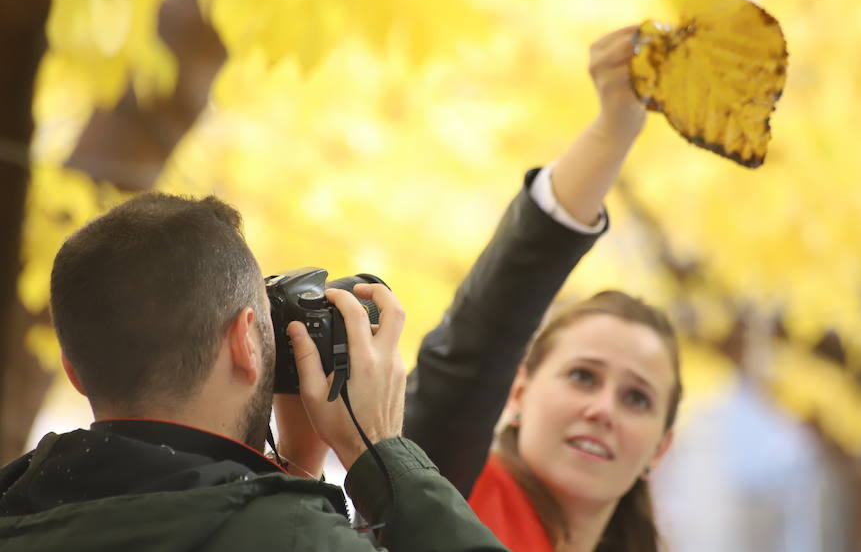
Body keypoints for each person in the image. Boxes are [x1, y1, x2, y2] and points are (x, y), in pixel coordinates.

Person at [0, 193, 508, 552]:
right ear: (246, 340)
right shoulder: (295, 540)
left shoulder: (20, 507)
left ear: (74, 372)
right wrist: (378, 450)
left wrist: (296, 469)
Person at [403, 25, 683, 552]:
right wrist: (612, 132)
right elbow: (472, 350)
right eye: (582, 376)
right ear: (519, 392)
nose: (603, 410)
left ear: (660, 449)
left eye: (637, 398)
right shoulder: (438, 498)